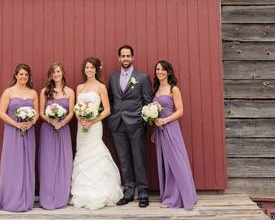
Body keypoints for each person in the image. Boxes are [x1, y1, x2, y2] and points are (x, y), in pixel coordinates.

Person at [70, 57, 123, 209]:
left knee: (94, 153)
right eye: (87, 67)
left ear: (96, 69)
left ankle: (99, 192)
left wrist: (92, 121)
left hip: (94, 125)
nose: (89, 70)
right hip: (82, 126)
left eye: (92, 67)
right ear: (84, 69)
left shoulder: (101, 87)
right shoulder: (79, 87)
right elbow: (76, 108)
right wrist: (80, 118)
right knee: (83, 154)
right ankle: (82, 192)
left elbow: (107, 110)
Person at [107, 45, 153, 207]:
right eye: (123, 56)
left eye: (128, 56)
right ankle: (128, 191)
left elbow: (148, 102)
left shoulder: (142, 77)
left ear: (132, 58)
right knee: (124, 159)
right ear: (119, 58)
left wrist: (144, 122)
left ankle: (143, 192)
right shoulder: (112, 78)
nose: (125, 58)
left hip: (136, 124)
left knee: (139, 159)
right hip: (117, 124)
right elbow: (111, 99)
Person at [152, 60, 198, 210]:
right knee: (165, 161)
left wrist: (164, 120)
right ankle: (168, 195)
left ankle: (178, 198)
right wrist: (154, 130)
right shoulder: (156, 89)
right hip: (159, 130)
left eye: (162, 69)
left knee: (176, 161)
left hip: (171, 128)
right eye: (157, 69)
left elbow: (180, 111)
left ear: (168, 72)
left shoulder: (174, 89)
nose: (160, 72)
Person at [0, 63, 39, 212]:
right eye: (21, 74)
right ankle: (10, 199)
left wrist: (31, 122)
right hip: (12, 132)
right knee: (13, 164)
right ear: (15, 75)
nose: (23, 77)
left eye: (26, 75)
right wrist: (16, 124)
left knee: (27, 164)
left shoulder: (33, 93)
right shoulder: (8, 92)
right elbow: (1, 113)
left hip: (28, 131)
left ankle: (26, 199)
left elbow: (37, 114)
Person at [38, 62, 74, 210]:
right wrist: (51, 121)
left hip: (63, 129)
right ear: (50, 75)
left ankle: (60, 197)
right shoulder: (45, 91)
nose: (56, 74)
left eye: (58, 71)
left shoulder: (70, 91)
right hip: (48, 129)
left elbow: (71, 112)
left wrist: (62, 122)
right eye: (54, 72)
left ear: (62, 73)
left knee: (64, 162)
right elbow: (41, 112)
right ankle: (47, 197)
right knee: (48, 162)